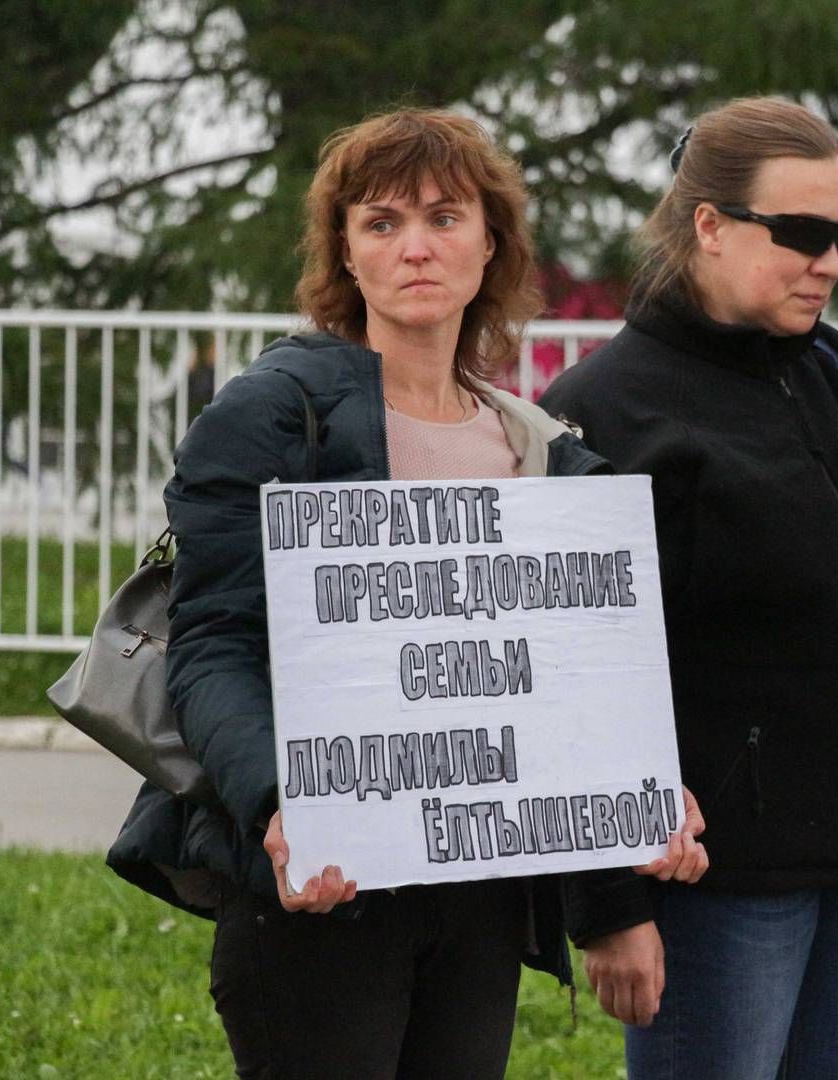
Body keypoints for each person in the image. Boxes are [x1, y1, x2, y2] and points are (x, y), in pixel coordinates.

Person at [104, 108, 707, 1079]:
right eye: (381, 222)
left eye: (443, 216)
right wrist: (281, 804)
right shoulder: (272, 415)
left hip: (480, 897)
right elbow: (211, 643)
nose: (415, 247)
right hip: (323, 887)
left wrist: (640, 796)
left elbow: (566, 676)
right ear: (344, 253)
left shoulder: (537, 448)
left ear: (491, 242)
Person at [537, 96, 838, 1078]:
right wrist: (608, 903)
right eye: (804, 235)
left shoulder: (832, 368)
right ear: (709, 226)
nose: (830, 263)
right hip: (721, 875)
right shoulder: (604, 407)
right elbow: (568, 675)